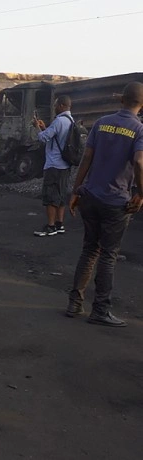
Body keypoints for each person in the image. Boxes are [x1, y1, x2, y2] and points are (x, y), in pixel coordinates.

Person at [65, 82, 143, 327]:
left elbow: (86, 157)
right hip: (115, 203)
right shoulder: (139, 129)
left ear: (121, 99)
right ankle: (100, 310)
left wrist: (77, 190)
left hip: (90, 197)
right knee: (108, 255)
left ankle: (74, 303)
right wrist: (141, 193)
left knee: (89, 250)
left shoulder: (101, 122)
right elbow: (140, 162)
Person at [32, 95, 73, 236]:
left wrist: (37, 127)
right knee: (61, 196)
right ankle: (59, 224)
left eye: (55, 105)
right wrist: (45, 127)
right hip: (65, 165)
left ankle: (50, 226)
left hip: (53, 164)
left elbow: (44, 138)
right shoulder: (70, 120)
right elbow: (56, 137)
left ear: (61, 106)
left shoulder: (59, 121)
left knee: (50, 196)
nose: (54, 108)